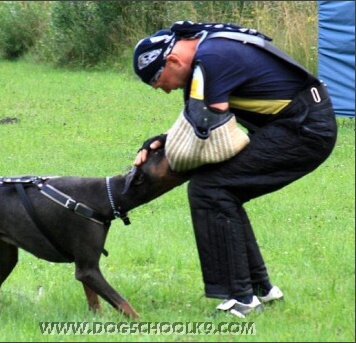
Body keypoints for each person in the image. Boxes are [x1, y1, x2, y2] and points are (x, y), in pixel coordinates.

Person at [132, 21, 338, 318]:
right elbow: (196, 120)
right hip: (300, 123)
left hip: (304, 130)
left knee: (210, 189)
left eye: (159, 81)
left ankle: (242, 299)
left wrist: (162, 164)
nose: (165, 89)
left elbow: (207, 133)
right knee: (220, 189)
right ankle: (260, 289)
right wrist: (161, 142)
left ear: (173, 60)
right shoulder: (209, 51)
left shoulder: (212, 59)